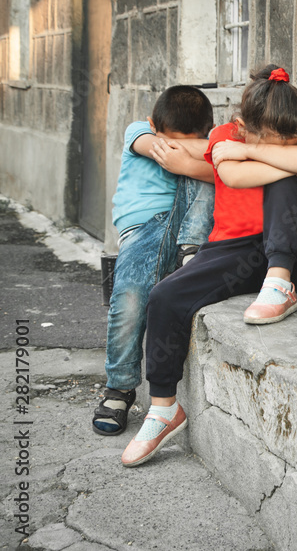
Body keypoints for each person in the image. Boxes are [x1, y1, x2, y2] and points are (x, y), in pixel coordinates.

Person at [121, 65, 297, 467]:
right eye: (267, 140)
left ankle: (280, 282)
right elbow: (234, 176)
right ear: (242, 125)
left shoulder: (284, 134)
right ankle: (163, 409)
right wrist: (291, 163)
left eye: (288, 142)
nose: (284, 145)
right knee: (164, 296)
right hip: (235, 249)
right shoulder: (221, 137)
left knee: (285, 183)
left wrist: (258, 152)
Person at [93, 85, 215, 436]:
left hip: (186, 230)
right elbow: (163, 151)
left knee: (210, 168)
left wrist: (204, 155)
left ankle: (191, 250)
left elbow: (219, 171)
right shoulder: (138, 131)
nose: (173, 146)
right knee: (130, 294)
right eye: (169, 138)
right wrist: (204, 151)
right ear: (152, 124)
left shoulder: (212, 142)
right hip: (143, 230)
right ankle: (119, 388)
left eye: (193, 140)